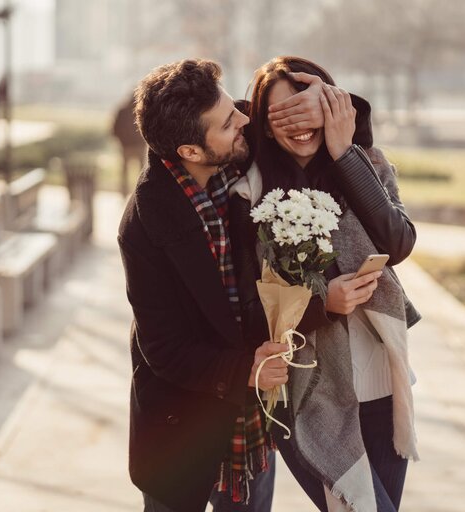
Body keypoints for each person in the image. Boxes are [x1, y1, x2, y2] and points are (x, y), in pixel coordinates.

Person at [117, 58, 326, 512]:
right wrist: (246, 370)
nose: (245, 122)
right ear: (191, 151)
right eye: (230, 122)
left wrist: (328, 100)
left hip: (251, 424)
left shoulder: (236, 152)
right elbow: (164, 349)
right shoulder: (143, 225)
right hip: (180, 430)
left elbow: (310, 121)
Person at [229, 56, 421, 511]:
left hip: (382, 386)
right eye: (282, 115)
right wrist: (322, 304)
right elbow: (245, 308)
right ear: (265, 123)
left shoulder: (364, 164)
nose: (299, 124)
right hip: (308, 397)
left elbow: (398, 241)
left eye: (308, 108)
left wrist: (343, 149)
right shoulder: (249, 193)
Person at [112, 94, 148, 197]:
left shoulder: (121, 111)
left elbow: (114, 128)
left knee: (125, 171)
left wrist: (121, 141)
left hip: (126, 146)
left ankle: (124, 192)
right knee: (142, 171)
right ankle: (140, 192)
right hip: (137, 146)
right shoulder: (140, 111)